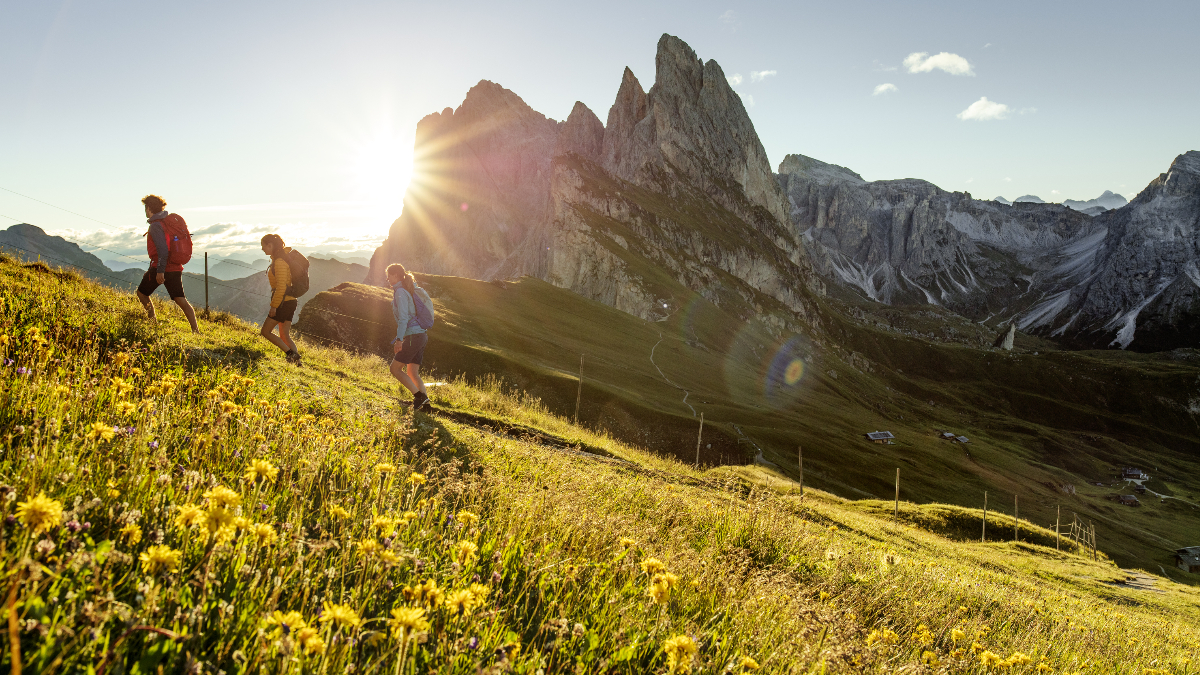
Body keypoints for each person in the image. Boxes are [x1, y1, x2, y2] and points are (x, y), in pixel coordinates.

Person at [136, 195, 199, 333]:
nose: (145, 211)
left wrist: (160, 271)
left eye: (146, 208)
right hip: (175, 267)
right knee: (181, 300)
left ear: (149, 208)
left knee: (142, 293)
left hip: (161, 267)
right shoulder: (167, 223)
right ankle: (196, 330)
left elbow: (163, 250)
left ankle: (152, 323)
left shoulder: (155, 226)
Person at [387, 263, 430, 410]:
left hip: (413, 336)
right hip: (421, 335)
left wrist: (399, 340)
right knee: (412, 372)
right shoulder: (405, 290)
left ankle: (419, 397)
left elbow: (403, 318)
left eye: (389, 275)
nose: (387, 278)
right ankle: (426, 406)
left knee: (395, 369)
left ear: (396, 275)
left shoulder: (400, 292)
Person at [260, 234, 301, 364]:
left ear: (270, 245)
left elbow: (281, 287)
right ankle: (297, 362)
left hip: (284, 302)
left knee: (265, 331)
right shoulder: (280, 259)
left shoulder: (279, 262)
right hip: (290, 301)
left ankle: (290, 354)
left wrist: (274, 306)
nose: (262, 249)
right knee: (284, 335)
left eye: (263, 246)